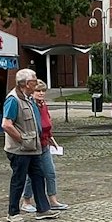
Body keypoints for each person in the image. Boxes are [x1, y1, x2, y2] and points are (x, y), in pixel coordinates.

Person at [0, 69, 55, 222]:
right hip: (19, 149)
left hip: (32, 148)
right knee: (19, 179)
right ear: (25, 83)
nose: (36, 82)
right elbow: (6, 124)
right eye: (33, 80)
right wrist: (22, 140)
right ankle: (13, 213)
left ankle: (43, 209)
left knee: (38, 176)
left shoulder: (28, 98)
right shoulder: (13, 99)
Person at [32, 81, 69, 211]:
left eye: (43, 91)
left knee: (50, 172)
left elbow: (47, 122)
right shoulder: (30, 106)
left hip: (45, 143)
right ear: (32, 92)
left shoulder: (43, 105)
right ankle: (26, 201)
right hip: (33, 145)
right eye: (38, 91)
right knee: (32, 175)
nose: (41, 93)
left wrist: (51, 137)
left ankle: (53, 200)